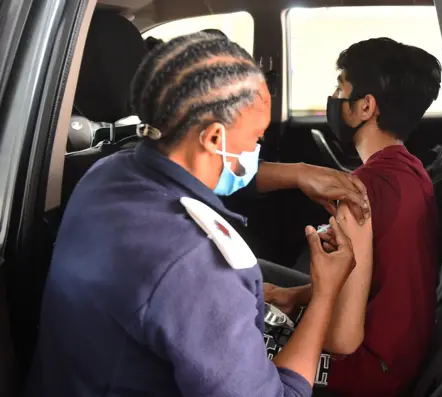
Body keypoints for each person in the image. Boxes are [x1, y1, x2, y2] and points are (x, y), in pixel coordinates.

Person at [27, 32, 372, 397]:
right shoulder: (200, 265)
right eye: (256, 138)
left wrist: (299, 173)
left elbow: (216, 174)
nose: (257, 149)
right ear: (213, 139)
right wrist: (325, 295)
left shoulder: (109, 173)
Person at [262, 37, 442, 396]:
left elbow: (342, 340)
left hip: (366, 373)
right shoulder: (413, 171)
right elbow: (373, 282)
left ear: (365, 106)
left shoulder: (356, 193)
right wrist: (293, 296)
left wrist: (293, 327)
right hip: (400, 357)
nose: (334, 99)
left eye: (340, 88)